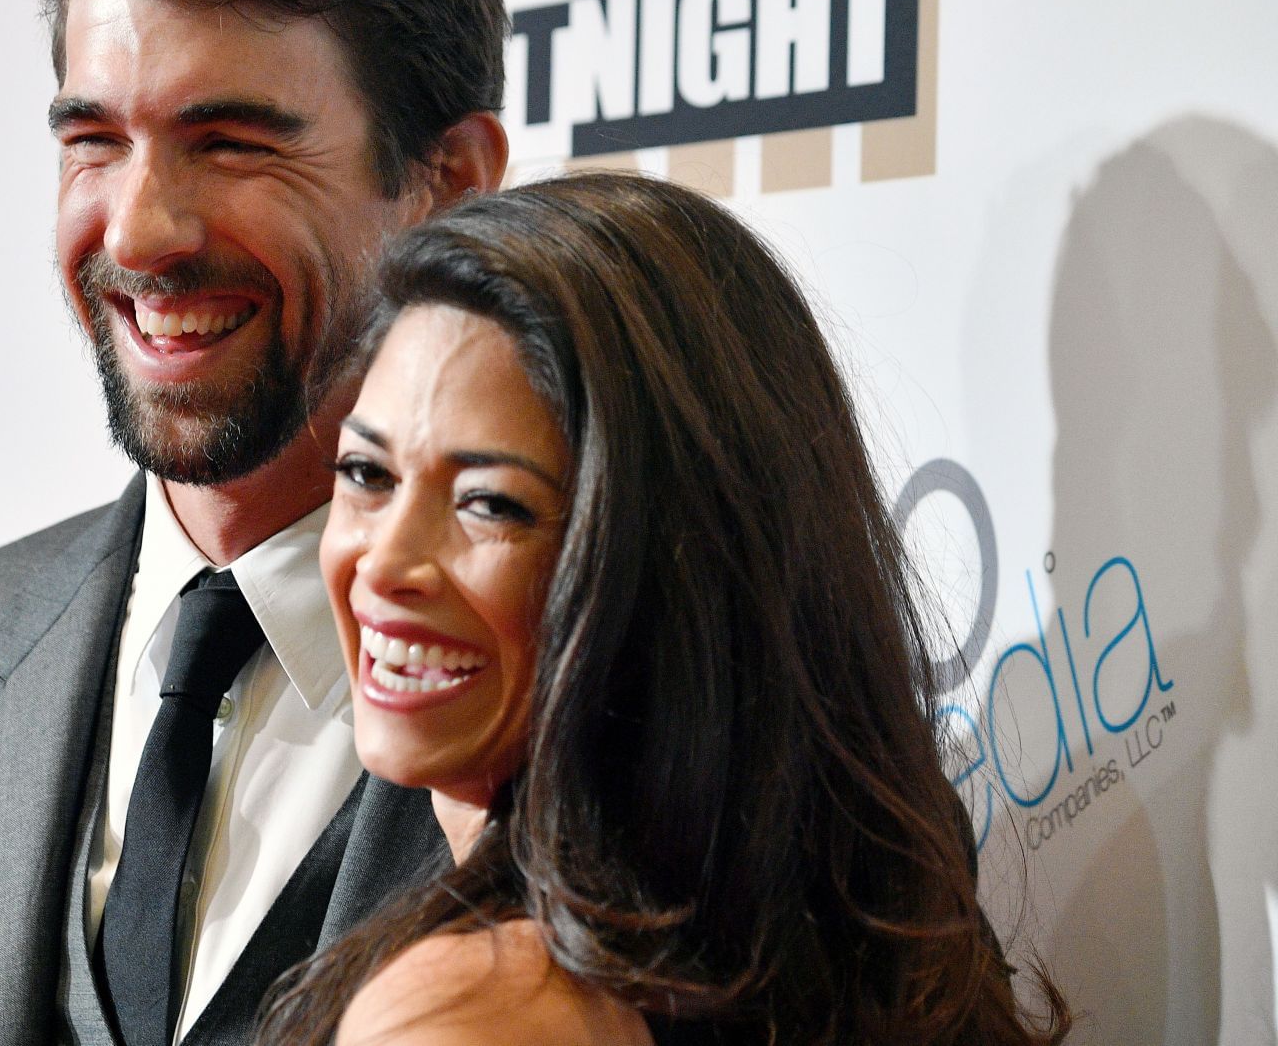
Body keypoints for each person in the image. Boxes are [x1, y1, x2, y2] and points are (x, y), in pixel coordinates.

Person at [0, 0, 510, 1046]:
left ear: (449, 182)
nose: (143, 228)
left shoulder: (619, 675)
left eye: (232, 142)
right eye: (94, 142)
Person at [256, 172, 1071, 1045]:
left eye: (490, 503)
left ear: (672, 555)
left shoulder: (470, 1013)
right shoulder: (856, 936)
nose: (385, 561)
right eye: (365, 475)